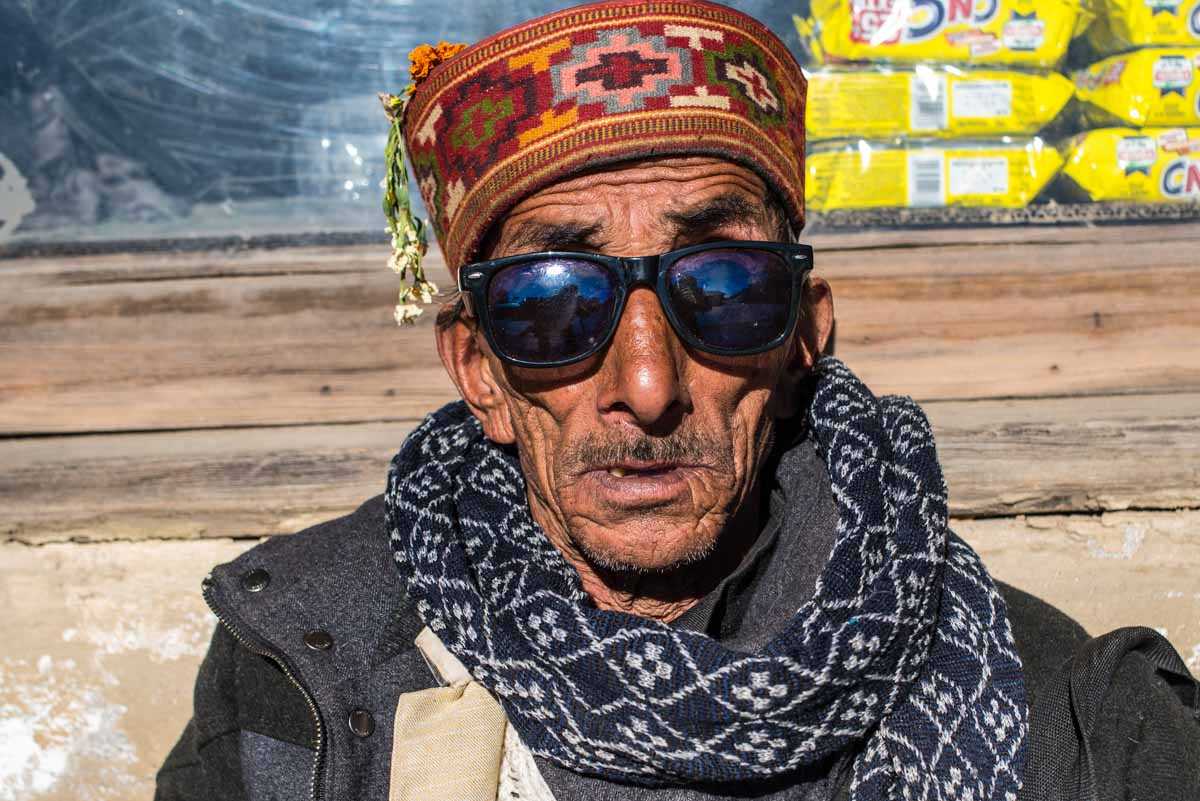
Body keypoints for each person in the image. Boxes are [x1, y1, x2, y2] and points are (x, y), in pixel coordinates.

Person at [156, 3, 1200, 800]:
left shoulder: (1053, 703)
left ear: (801, 337)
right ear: (479, 370)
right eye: (553, 307)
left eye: (726, 290)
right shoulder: (303, 659)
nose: (646, 389)